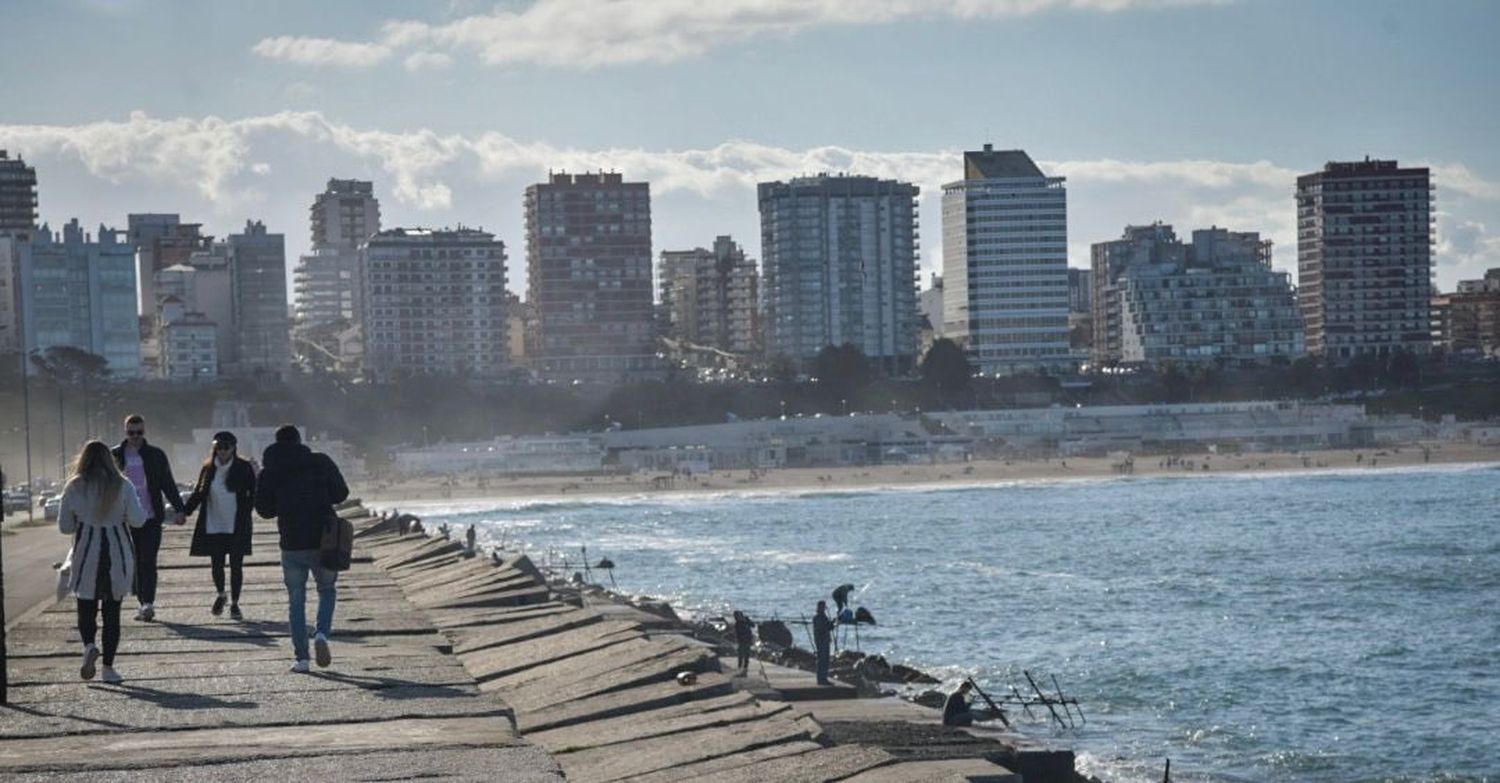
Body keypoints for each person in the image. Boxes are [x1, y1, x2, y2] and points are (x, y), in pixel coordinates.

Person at [254, 424, 349, 673]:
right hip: (324, 541)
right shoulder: (320, 462)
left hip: (292, 544)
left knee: (296, 600)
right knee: (327, 589)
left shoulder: (270, 471)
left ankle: (302, 659)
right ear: (299, 441)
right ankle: (321, 635)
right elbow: (341, 493)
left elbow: (264, 511)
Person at [59, 441, 148, 684]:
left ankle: (88, 646)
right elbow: (138, 521)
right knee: (112, 613)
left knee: (86, 608)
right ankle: (108, 669)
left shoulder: (74, 486)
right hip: (117, 554)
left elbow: (64, 526)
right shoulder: (123, 485)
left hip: (86, 554)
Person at [111, 414, 185, 622]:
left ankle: (147, 603)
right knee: (132, 562)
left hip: (151, 517)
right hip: (123, 520)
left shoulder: (155, 455)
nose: (135, 437)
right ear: (125, 432)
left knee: (148, 561)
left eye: (139, 432)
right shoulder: (115, 455)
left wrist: (180, 509)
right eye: (131, 433)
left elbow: (167, 483)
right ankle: (141, 601)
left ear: (144, 432)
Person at [182, 432, 256, 620]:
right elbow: (199, 493)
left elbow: (253, 493)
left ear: (233, 448)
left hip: (236, 525)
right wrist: (184, 512)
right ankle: (222, 594)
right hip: (213, 523)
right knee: (216, 564)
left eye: (226, 447)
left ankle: (235, 604)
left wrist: (247, 512)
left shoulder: (243, 467)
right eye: (219, 447)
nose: (222, 451)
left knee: (236, 565)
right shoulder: (208, 469)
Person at [812, 600, 832, 685]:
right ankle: (821, 679)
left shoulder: (823, 617)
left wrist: (831, 624)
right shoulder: (818, 617)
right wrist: (830, 625)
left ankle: (824, 678)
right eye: (823, 606)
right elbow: (823, 628)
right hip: (821, 641)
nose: (824, 608)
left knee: (825, 660)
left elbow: (828, 627)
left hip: (824, 640)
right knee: (822, 660)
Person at [733, 610, 754, 676]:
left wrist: (747, 621)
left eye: (737, 616)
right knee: (741, 654)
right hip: (741, 640)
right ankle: (740, 667)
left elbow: (753, 625)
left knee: (746, 654)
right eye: (736, 617)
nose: (736, 618)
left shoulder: (746, 620)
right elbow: (738, 633)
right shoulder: (737, 624)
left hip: (747, 640)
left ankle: (745, 666)